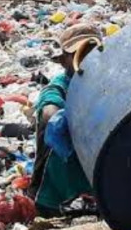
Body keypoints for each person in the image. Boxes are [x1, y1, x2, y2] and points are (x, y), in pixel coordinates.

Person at [30, 24, 103, 217]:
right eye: (81, 53)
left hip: (95, 192)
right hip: (57, 196)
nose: (89, 59)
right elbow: (48, 108)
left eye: (93, 51)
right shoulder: (60, 86)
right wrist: (61, 117)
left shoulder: (106, 83)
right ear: (64, 61)